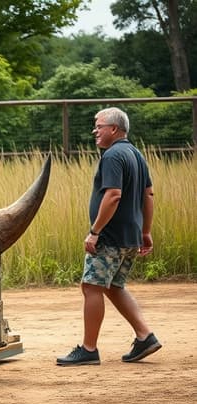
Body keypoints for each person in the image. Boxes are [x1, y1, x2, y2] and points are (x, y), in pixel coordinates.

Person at [57, 107, 160, 366]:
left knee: (91, 286)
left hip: (110, 236)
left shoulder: (112, 155)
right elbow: (148, 195)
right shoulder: (135, 154)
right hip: (130, 234)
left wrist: (95, 232)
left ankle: (88, 349)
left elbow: (113, 195)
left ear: (113, 129)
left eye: (98, 125)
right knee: (114, 286)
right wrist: (145, 231)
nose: (95, 130)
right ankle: (145, 336)